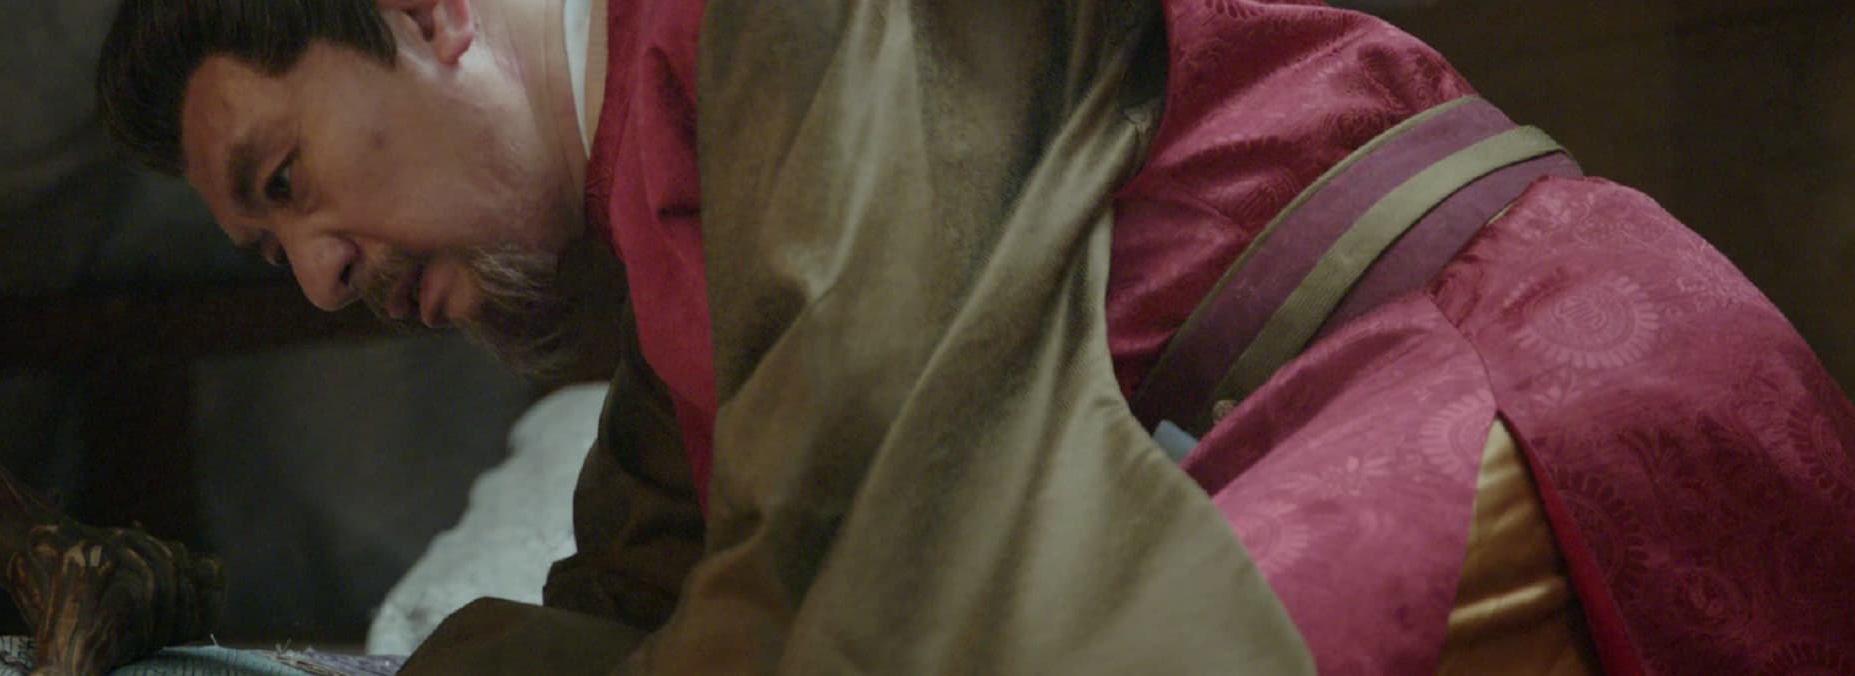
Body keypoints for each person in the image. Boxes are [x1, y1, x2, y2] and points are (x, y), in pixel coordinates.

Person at [92, 0, 1855, 673]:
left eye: (286, 179)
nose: (316, 275)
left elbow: (857, 517)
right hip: (1320, 420)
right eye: (268, 246)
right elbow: (646, 595)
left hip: (1518, 370)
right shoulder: (654, 228)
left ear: (426, 13)